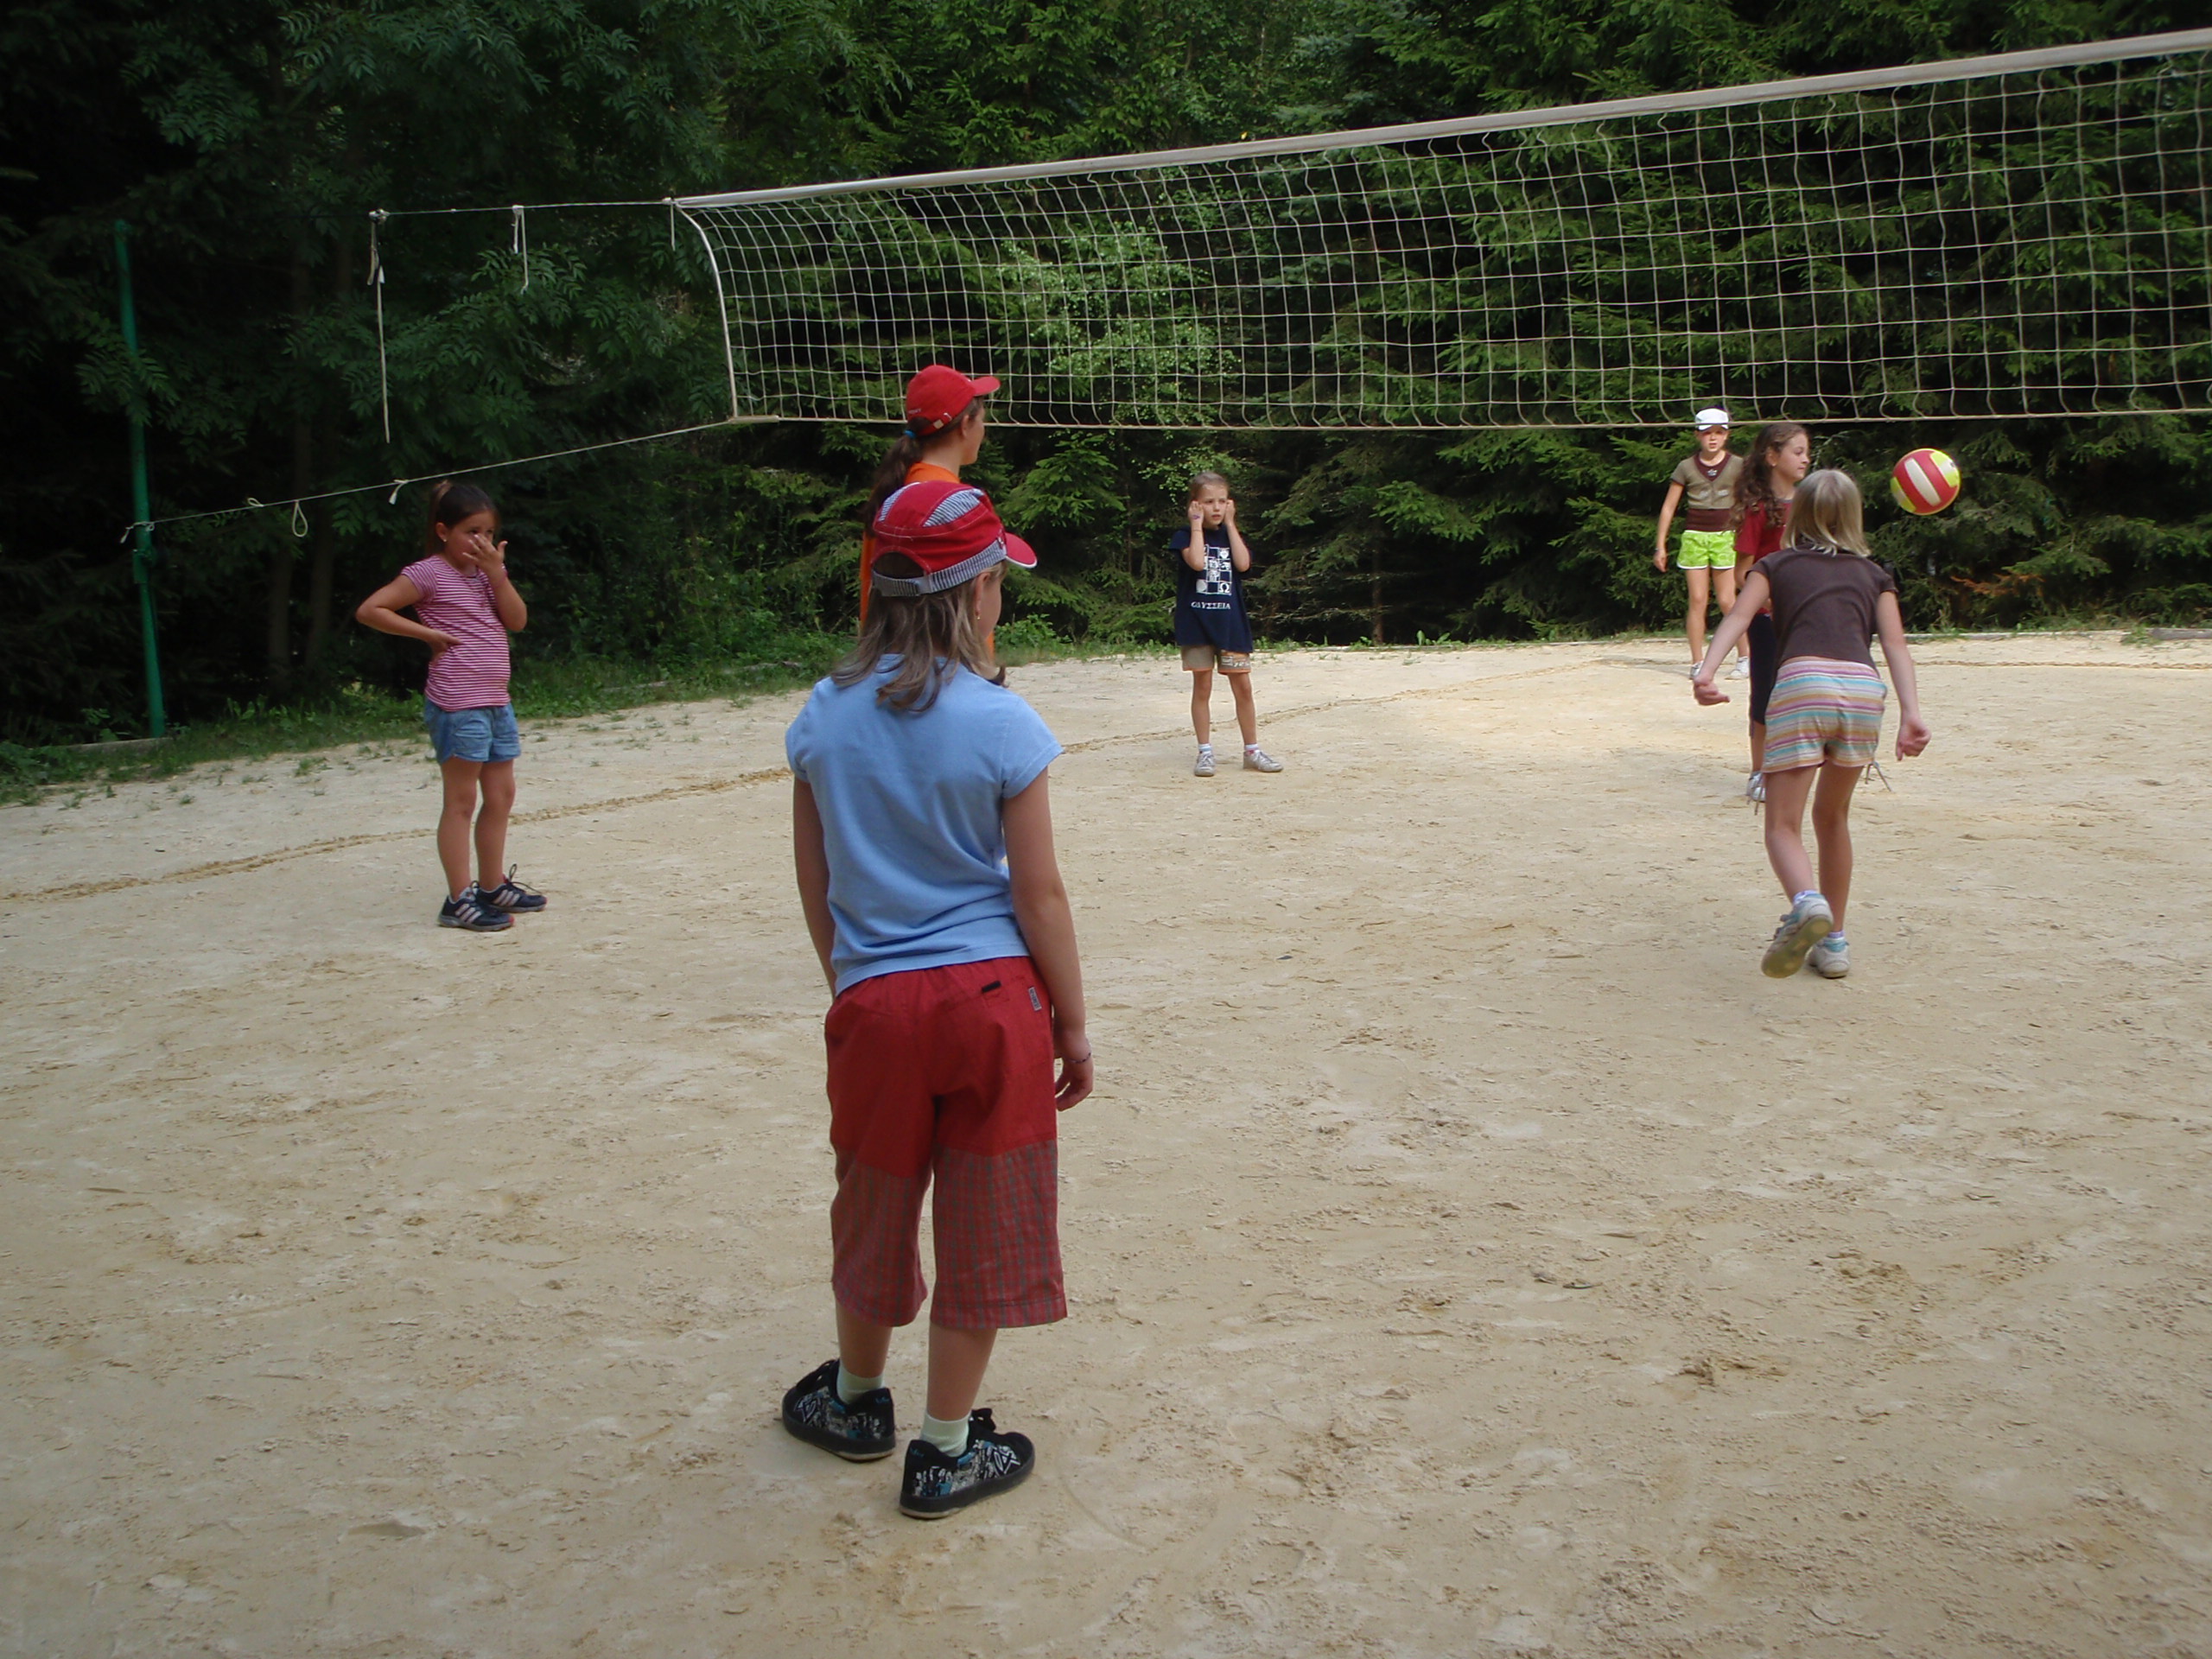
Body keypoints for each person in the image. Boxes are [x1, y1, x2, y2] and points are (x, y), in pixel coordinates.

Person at [780, 478, 1093, 1520]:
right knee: (986, 1216)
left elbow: (816, 880)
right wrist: (1073, 1024)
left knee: (872, 1199)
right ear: (976, 594)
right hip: (995, 1003)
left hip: (876, 1003)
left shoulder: (823, 718)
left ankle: (854, 1401)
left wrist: (852, 984)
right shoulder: (1002, 721)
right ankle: (946, 1449)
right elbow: (1038, 895)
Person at [1693, 469, 1931, 979]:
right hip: (1863, 692)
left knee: (1782, 825)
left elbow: (1737, 617)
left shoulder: (1775, 565)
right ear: (1855, 517)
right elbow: (1895, 646)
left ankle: (1807, 902)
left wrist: (1706, 671)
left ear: (1795, 515)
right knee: (1833, 817)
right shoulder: (1875, 574)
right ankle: (1835, 943)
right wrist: (1911, 714)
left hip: (1803, 685)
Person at [355, 481, 547, 931]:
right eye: (471, 532)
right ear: (443, 531)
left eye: (489, 532)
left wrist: (497, 573)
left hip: (496, 701)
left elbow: (517, 620)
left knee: (501, 795)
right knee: (461, 801)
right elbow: (371, 610)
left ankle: (491, 886)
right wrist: (427, 635)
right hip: (459, 704)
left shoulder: (486, 574)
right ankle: (458, 899)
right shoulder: (427, 573)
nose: (481, 541)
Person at [858, 365, 999, 628]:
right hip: (941, 652)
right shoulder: (955, 506)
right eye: (982, 419)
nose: (984, 429)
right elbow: (970, 611)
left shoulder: (890, 490)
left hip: (887, 647)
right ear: (965, 425)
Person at [1170, 471, 1281, 777]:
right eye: (1208, 502)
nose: (1216, 508)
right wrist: (1196, 525)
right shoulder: (1184, 536)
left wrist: (1231, 525)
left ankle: (1252, 750)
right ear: (1195, 504)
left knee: (1243, 685)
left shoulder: (1230, 535)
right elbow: (1197, 562)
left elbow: (1243, 564)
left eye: (1222, 501)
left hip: (1231, 624)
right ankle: (1205, 752)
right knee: (1203, 685)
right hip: (1197, 623)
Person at [1731, 421, 1813, 804]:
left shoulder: (1811, 505)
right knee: (1765, 694)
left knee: (1805, 693)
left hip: (1806, 617)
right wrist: (1768, 603)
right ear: (1772, 456)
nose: (1806, 459)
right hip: (1767, 620)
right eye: (1798, 452)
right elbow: (1741, 574)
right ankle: (1759, 771)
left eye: (1807, 452)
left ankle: (1797, 768)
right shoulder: (1758, 509)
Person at [1652, 407, 1747, 675]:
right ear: (1697, 435)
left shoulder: (1738, 465)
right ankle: (1697, 661)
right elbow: (1669, 507)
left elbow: (1750, 501)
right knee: (1697, 599)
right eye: (1707, 433)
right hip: (1695, 537)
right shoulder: (1686, 467)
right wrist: (1660, 545)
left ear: (1726, 435)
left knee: (1728, 600)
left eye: (1718, 433)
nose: (1713, 438)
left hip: (1726, 536)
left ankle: (1745, 656)